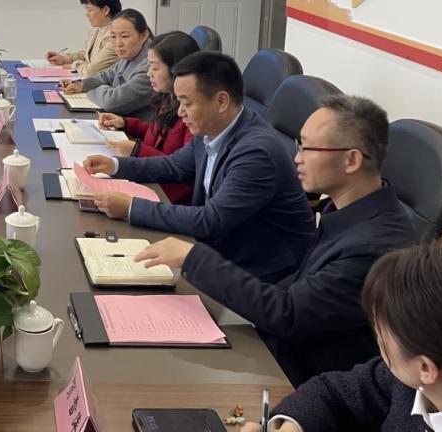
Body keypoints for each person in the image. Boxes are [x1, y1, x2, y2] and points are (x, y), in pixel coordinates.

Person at [135, 95, 415, 385]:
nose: (297, 158)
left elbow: (288, 314)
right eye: (298, 145)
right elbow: (297, 288)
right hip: (282, 348)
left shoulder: (374, 247)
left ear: (351, 160)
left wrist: (194, 258)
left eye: (308, 148)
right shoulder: (348, 211)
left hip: (304, 378)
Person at [82, 51, 314, 282]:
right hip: (221, 246)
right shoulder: (211, 128)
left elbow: (211, 220)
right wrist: (115, 165)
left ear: (221, 102)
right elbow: (174, 166)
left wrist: (131, 207)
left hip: (262, 272)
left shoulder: (256, 153)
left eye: (187, 103)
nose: (180, 112)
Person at [241, 240, 442, 432]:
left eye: (381, 331)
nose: (377, 338)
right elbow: (335, 392)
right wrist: (293, 427)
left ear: (426, 368)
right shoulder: (408, 382)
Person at [96, 30, 200, 204]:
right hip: (148, 179)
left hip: (169, 196)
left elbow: (182, 168)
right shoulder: (167, 98)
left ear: (177, 69)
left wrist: (137, 150)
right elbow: (155, 133)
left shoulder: (192, 114)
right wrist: (126, 123)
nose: (148, 73)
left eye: (155, 67)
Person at [59, 8, 153, 117]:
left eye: (125, 36)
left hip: (135, 125)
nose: (118, 43)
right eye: (113, 36)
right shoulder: (131, 54)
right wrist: (82, 85)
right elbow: (106, 77)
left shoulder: (152, 67)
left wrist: (92, 91)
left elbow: (111, 102)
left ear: (144, 35)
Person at [45, 0, 120, 78]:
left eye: (90, 10)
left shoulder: (116, 36)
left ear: (105, 10)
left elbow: (91, 71)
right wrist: (64, 58)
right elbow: (85, 54)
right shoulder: (97, 29)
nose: (86, 14)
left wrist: (75, 65)